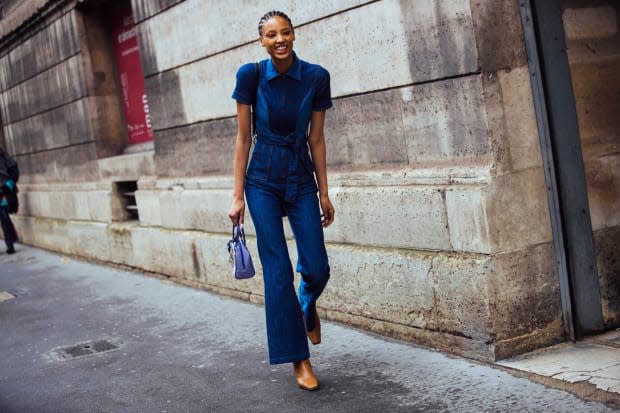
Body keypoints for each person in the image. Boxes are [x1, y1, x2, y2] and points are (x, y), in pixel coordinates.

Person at [228, 10, 335, 391]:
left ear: (294, 34)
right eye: (271, 35)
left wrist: (324, 190)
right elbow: (243, 138)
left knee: (318, 267)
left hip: (301, 177)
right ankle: (299, 358)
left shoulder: (316, 77)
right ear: (262, 41)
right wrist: (237, 195)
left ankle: (307, 301)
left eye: (285, 32)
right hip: (261, 181)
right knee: (277, 271)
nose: (279, 39)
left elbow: (316, 138)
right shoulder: (251, 75)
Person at [0, 146, 19, 254]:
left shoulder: (3, 154)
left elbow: (14, 171)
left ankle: (10, 244)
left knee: (5, 218)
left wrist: (7, 186)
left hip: (3, 192)